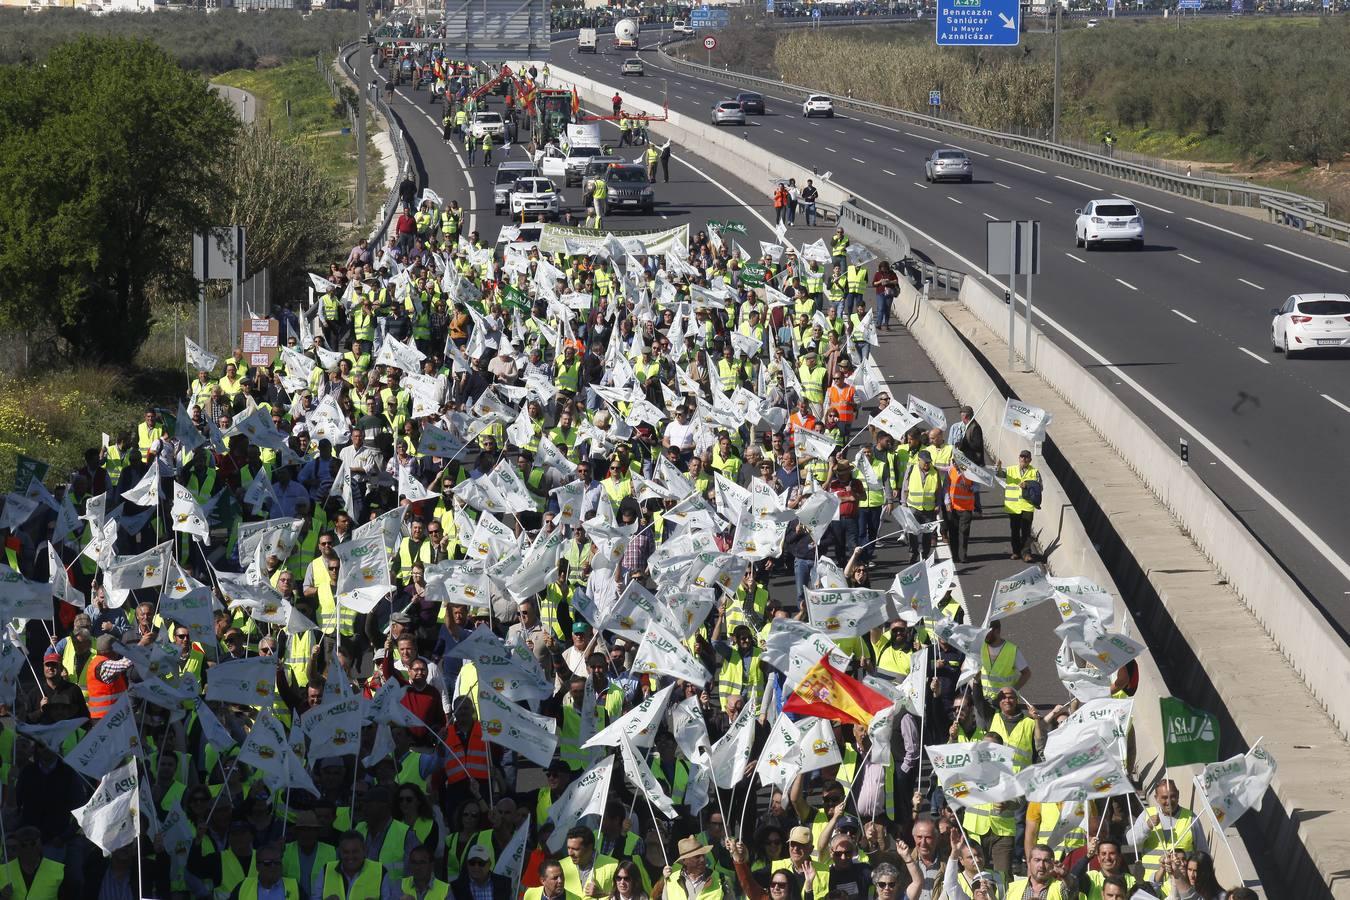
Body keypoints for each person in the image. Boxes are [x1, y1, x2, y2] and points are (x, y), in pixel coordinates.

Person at [1000, 449, 1041, 562]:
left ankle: (1026, 553)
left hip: (1027, 506)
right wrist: (998, 467)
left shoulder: (1034, 472)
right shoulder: (1011, 470)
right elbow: (999, 474)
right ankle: (1016, 552)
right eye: (1022, 457)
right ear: (1019, 458)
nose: (1023, 459)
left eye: (1026, 457)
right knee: (1014, 530)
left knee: (1026, 531)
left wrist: (1027, 485)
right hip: (1013, 506)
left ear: (1030, 460)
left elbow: (1039, 486)